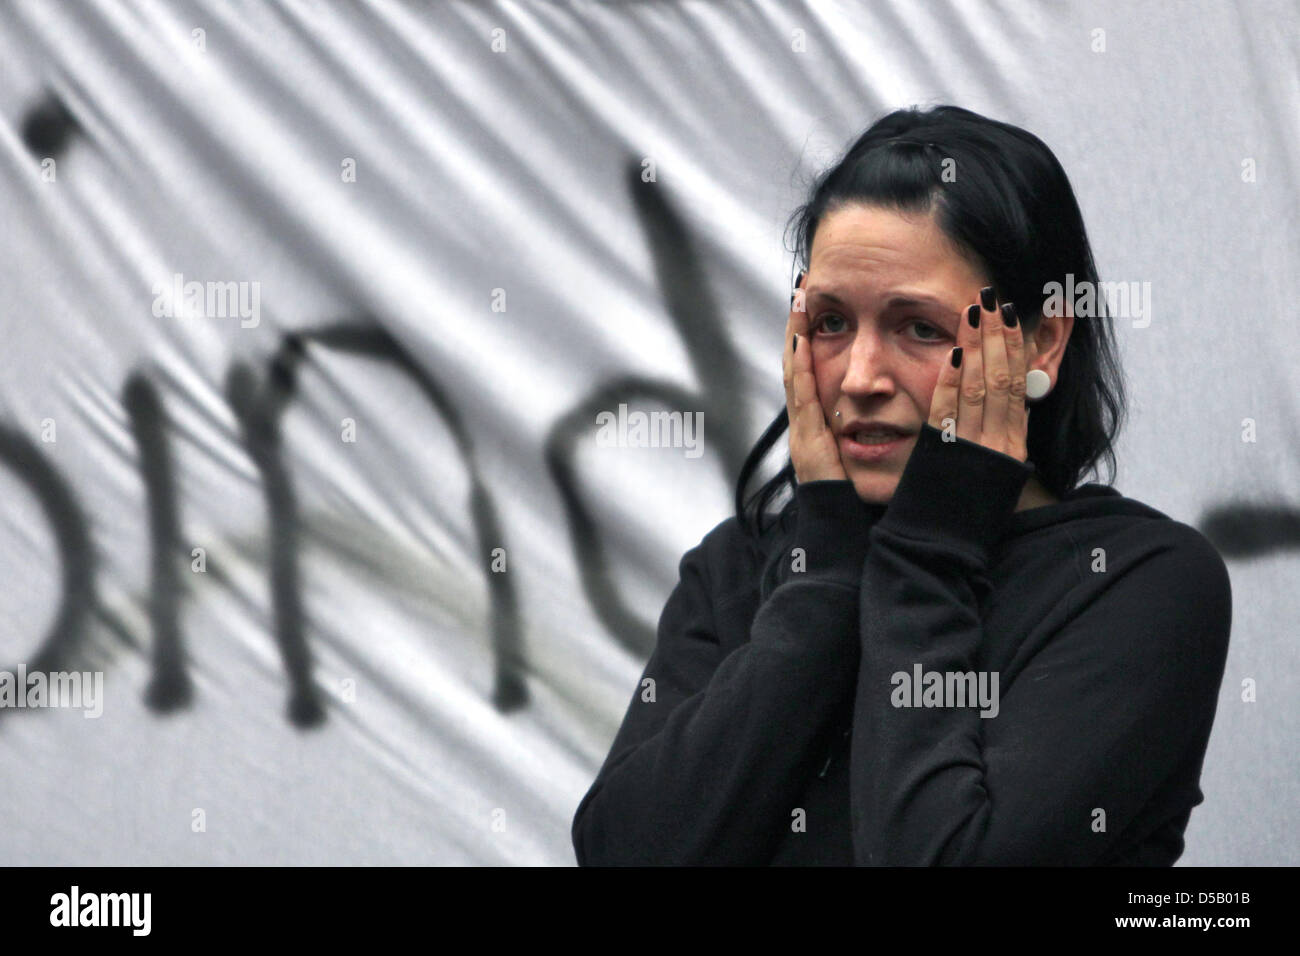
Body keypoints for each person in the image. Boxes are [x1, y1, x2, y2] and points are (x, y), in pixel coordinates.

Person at [570, 105, 1232, 866]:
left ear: (1043, 340)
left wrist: (928, 552)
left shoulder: (1139, 584)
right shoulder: (739, 566)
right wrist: (822, 591)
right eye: (829, 324)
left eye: (919, 327)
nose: (859, 377)